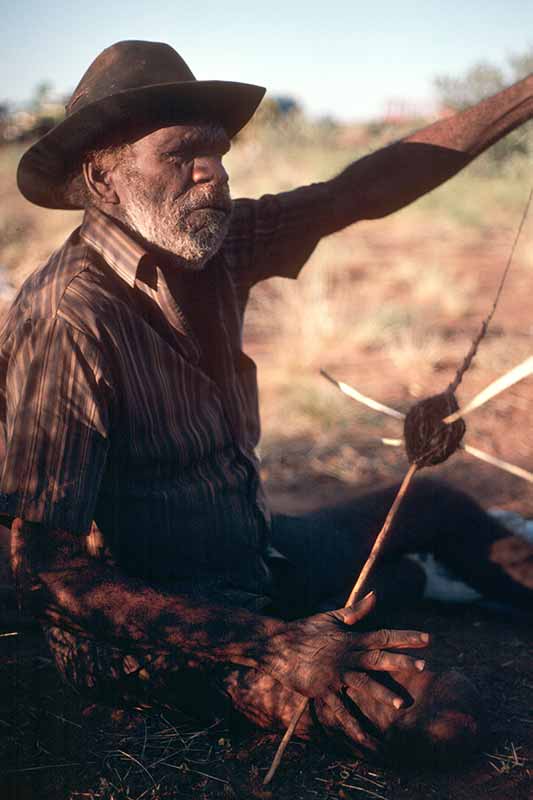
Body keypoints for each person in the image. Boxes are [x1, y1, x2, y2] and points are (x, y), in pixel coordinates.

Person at [3, 40, 533, 766]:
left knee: (436, 506)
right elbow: (47, 571)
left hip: (259, 557)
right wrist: (272, 645)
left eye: (218, 153)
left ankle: (403, 583)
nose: (212, 172)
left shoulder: (217, 244)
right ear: (103, 177)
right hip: (155, 635)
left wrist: (523, 94)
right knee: (436, 718)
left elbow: (362, 188)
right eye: (182, 154)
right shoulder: (67, 317)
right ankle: (381, 598)